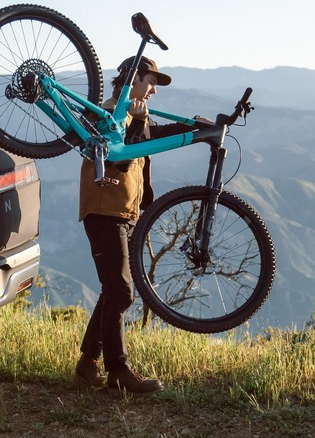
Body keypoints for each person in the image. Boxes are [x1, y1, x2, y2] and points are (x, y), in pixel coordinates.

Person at [75, 56, 202, 394]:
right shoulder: (108, 114)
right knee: (120, 291)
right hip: (105, 212)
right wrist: (136, 121)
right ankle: (118, 371)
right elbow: (120, 156)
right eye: (150, 81)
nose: (154, 89)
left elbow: (152, 135)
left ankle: (88, 361)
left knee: (113, 290)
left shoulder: (133, 115)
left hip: (125, 213)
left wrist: (193, 127)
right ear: (132, 80)